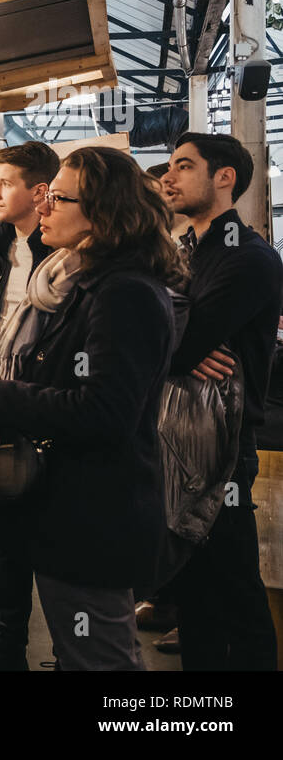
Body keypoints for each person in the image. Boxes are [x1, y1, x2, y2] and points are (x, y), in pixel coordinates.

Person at [0, 147, 182, 670]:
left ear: (104, 213)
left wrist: (5, 397)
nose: (44, 207)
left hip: (95, 518)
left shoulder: (122, 292)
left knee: (98, 663)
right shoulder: (83, 281)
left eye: (59, 198)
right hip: (73, 512)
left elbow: (106, 412)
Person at [160, 132, 281, 671]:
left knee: (235, 589)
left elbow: (178, 339)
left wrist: (174, 344)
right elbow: (164, 332)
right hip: (180, 442)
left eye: (184, 166)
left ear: (224, 177)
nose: (168, 177)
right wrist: (177, 345)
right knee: (194, 590)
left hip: (227, 450)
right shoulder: (188, 249)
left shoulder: (250, 256)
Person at [0, 141, 58, 671]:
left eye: (4, 183)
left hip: (46, 406)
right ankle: (8, 649)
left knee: (55, 532)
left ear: (39, 192)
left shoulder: (65, 250)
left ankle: (73, 650)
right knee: (8, 528)